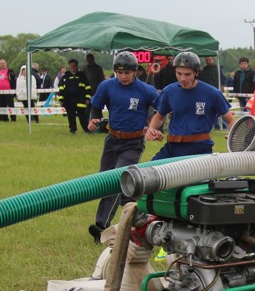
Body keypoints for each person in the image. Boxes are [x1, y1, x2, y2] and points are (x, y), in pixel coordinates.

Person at [86, 51, 160, 241]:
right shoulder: (107, 86)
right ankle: (128, 217)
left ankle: (102, 226)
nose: (123, 76)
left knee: (118, 178)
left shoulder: (145, 90)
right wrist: (93, 119)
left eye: (127, 72)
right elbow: (96, 105)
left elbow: (163, 108)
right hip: (112, 140)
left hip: (133, 142)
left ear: (135, 71)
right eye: (119, 72)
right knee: (106, 183)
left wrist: (154, 128)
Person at [147, 51, 234, 160]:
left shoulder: (212, 93)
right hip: (173, 147)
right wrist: (151, 129)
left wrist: (233, 134)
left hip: (200, 148)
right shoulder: (169, 91)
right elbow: (159, 116)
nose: (183, 78)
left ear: (196, 73)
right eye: (179, 73)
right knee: (149, 174)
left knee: (193, 176)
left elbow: (230, 120)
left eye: (187, 74)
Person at [59, 59, 92, 134]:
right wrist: (61, 99)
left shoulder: (82, 76)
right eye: (71, 66)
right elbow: (61, 89)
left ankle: (87, 130)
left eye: (74, 66)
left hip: (80, 100)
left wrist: (87, 98)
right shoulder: (65, 77)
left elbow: (88, 88)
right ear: (69, 66)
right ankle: (72, 130)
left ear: (77, 66)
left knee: (82, 116)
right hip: (69, 100)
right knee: (71, 116)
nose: (73, 68)